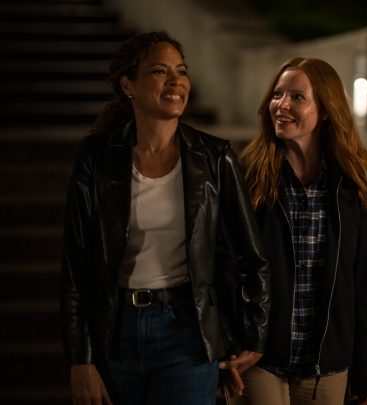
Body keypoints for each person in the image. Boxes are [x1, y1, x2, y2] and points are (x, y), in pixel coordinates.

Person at [60, 31, 270, 405]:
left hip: (187, 331)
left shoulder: (214, 157)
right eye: (160, 71)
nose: (176, 82)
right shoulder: (96, 158)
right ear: (128, 85)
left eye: (182, 71)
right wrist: (81, 359)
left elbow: (251, 256)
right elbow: (76, 266)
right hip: (114, 333)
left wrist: (254, 335)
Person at [231, 57, 367, 405]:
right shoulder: (249, 175)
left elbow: (366, 284)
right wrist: (239, 340)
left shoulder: (352, 186)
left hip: (326, 365)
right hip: (260, 358)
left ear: (326, 110)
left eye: (297, 97)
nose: (281, 105)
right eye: (277, 94)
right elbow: (228, 265)